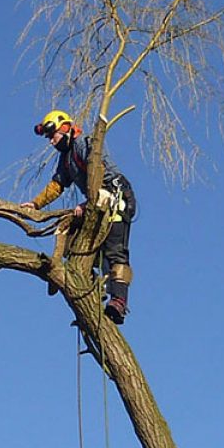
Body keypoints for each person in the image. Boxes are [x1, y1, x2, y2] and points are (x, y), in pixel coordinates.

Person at [21, 110, 136, 324]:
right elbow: (57, 185)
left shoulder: (85, 144)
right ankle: (92, 287)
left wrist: (88, 203)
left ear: (64, 128)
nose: (51, 141)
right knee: (74, 243)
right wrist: (35, 203)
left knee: (114, 251)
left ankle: (119, 300)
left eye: (52, 135)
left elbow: (99, 173)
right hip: (96, 203)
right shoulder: (66, 159)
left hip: (115, 194)